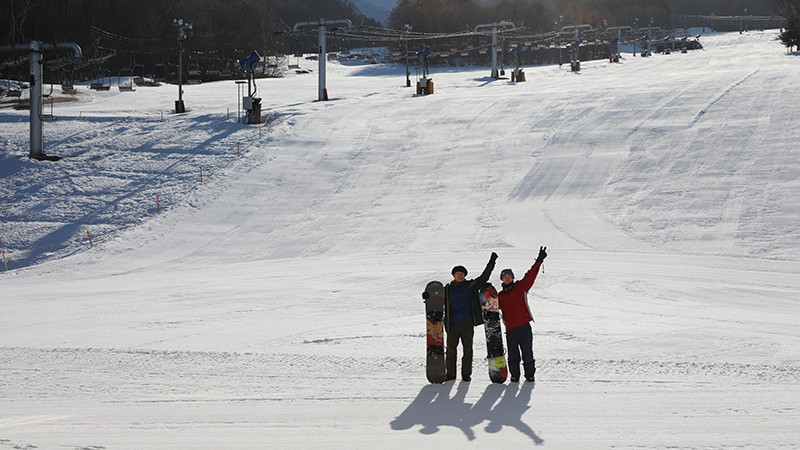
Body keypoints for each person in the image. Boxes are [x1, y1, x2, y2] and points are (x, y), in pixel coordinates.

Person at [425, 252, 497, 382]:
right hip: (452, 324)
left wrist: (491, 263)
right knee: (451, 351)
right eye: (458, 273)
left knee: (468, 350)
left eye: (462, 273)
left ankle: (466, 374)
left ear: (464, 276)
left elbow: (484, 277)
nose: (460, 275)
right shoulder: (446, 289)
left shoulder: (470, 286)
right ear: (453, 275)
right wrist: (427, 297)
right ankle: (451, 375)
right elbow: (436, 301)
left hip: (467, 323)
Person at [497, 246, 547, 382]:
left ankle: (530, 374)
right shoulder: (499, 296)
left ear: (513, 277)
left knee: (527, 352)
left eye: (509, 276)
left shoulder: (521, 286)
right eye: (504, 277)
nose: (507, 278)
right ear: (501, 279)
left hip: (524, 326)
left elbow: (531, 274)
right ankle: (515, 375)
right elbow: (490, 307)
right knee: (513, 355)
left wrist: (539, 260)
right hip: (511, 329)